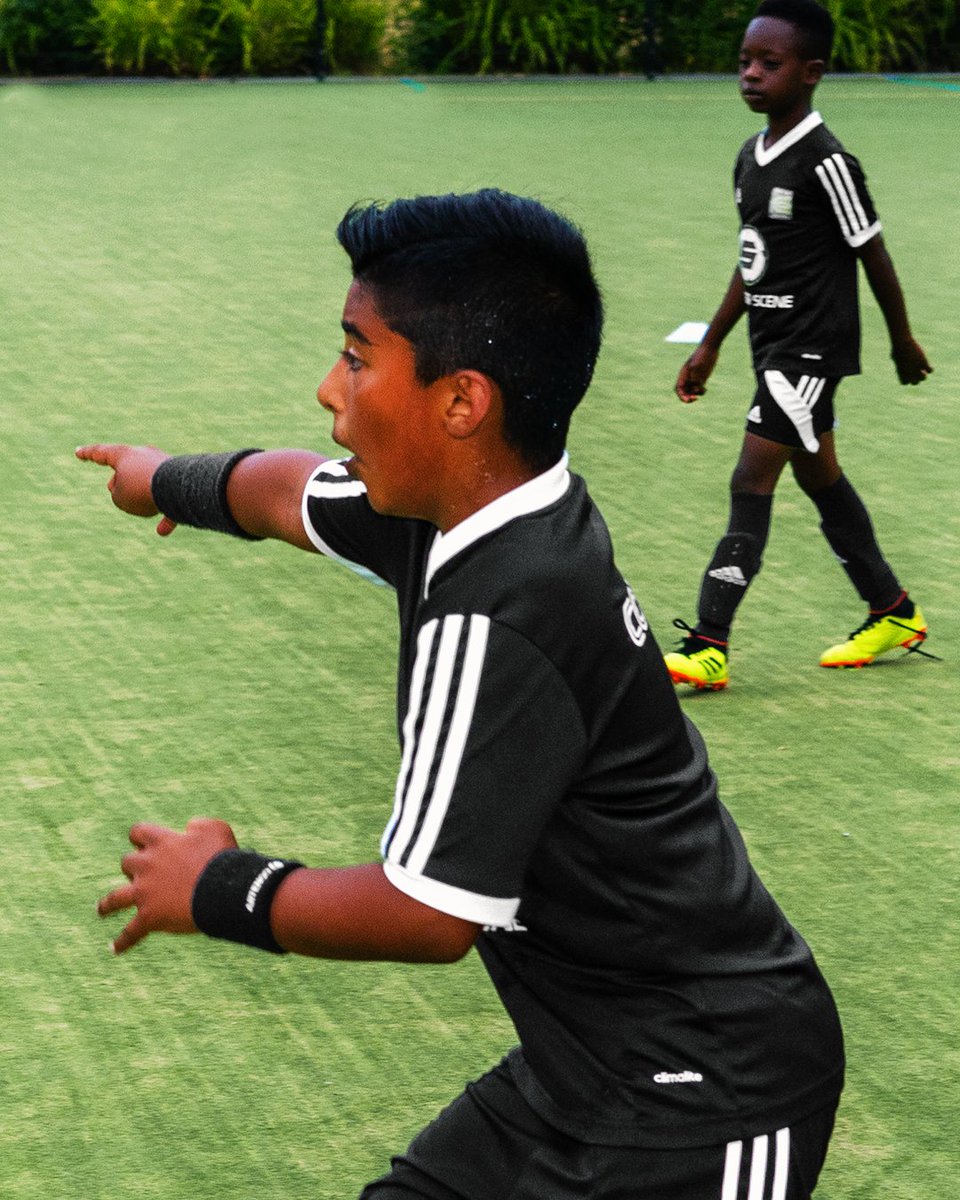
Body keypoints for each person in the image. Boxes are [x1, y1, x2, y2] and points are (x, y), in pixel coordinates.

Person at [78, 188, 844, 1198]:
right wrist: (166, 478)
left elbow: (427, 911)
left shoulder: (501, 614)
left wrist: (218, 888)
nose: (328, 388)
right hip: (585, 1071)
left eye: (356, 355)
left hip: (709, 1094)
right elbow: (291, 490)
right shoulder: (468, 499)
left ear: (460, 402)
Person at [667, 0, 933, 692]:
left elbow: (873, 254)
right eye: (745, 62)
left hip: (812, 351)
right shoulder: (749, 159)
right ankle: (893, 611)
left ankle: (708, 643)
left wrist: (901, 339)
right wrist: (713, 343)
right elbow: (752, 259)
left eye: (769, 63)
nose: (751, 75)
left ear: (812, 73)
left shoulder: (828, 162)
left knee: (751, 478)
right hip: (771, 343)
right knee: (820, 478)